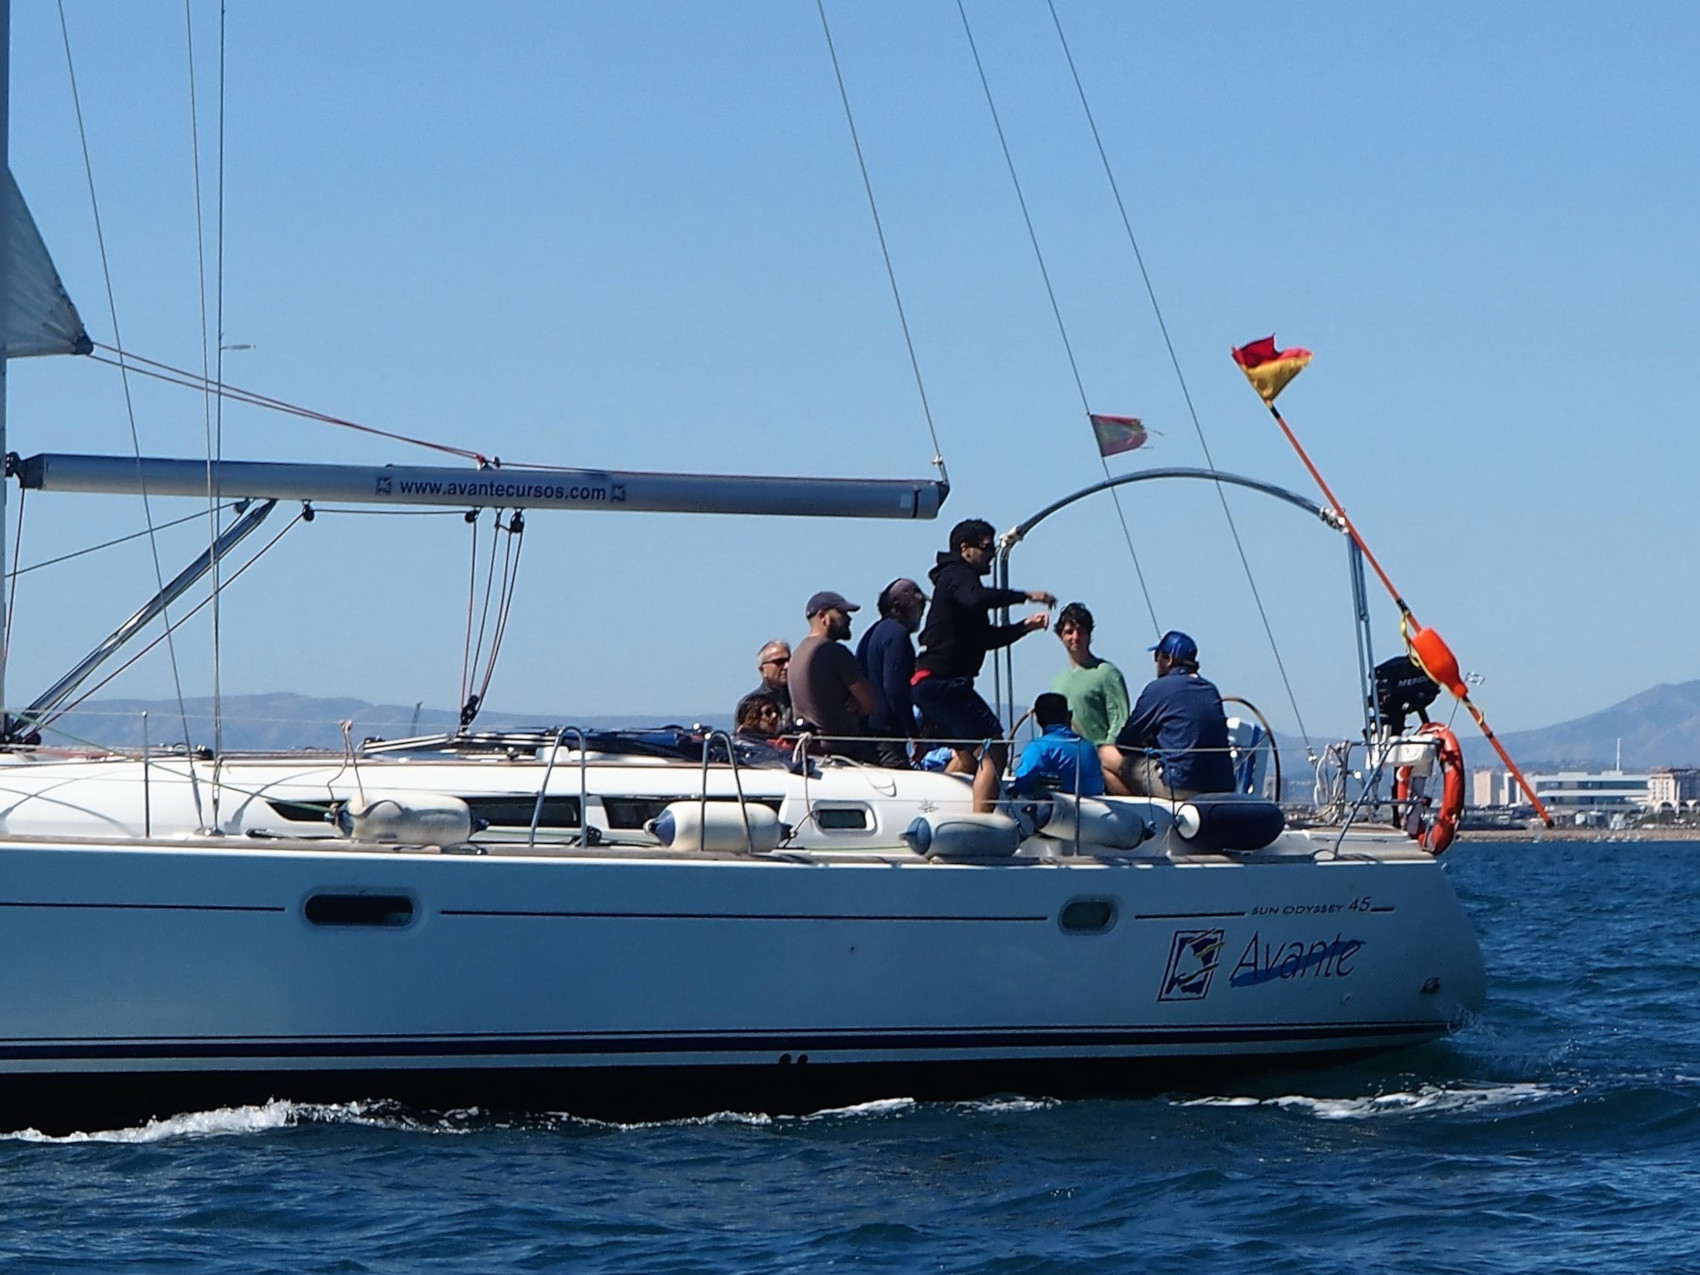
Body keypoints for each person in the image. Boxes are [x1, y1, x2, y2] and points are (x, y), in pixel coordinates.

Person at [913, 518, 1056, 812]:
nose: (991, 555)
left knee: (967, 754)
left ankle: (931, 810)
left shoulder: (957, 584)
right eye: (986, 548)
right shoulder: (956, 575)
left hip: (931, 683)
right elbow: (976, 599)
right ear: (965, 549)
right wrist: (1025, 596)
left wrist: (1024, 628)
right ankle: (982, 820)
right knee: (995, 749)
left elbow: (984, 639)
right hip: (945, 683)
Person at [1100, 630, 1235, 799]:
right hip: (1221, 787)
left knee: (1104, 755)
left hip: (1180, 785)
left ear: (1169, 659)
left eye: (1157, 656)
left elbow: (1125, 741)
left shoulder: (1158, 689)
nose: (1155, 662)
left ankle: (1141, 811)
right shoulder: (1210, 690)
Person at [789, 590, 878, 762]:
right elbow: (869, 704)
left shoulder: (797, 654)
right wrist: (855, 702)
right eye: (842, 613)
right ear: (824, 616)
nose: (848, 619)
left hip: (811, 750)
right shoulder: (835, 652)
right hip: (844, 750)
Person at [855, 577, 929, 768]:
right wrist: (914, 733)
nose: (922, 611)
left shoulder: (871, 634)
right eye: (920, 604)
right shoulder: (898, 636)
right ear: (899, 606)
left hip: (866, 731)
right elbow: (895, 690)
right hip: (887, 735)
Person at [1050, 602, 1130, 746]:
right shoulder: (1058, 681)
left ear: (1089, 634)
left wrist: (1104, 753)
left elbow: (1120, 721)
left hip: (1098, 761)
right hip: (1067, 760)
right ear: (1060, 636)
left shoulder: (1107, 673)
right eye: (1069, 632)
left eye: (1081, 631)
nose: (1075, 637)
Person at [1010, 692, 1104, 797]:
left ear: (1038, 720)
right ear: (1069, 716)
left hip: (1062, 809)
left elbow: (1022, 782)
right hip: (1095, 807)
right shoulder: (1088, 747)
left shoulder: (1038, 748)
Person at [748, 640, 793, 723]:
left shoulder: (802, 699)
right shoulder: (751, 704)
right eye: (780, 662)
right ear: (762, 670)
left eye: (789, 660)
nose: (787, 666)